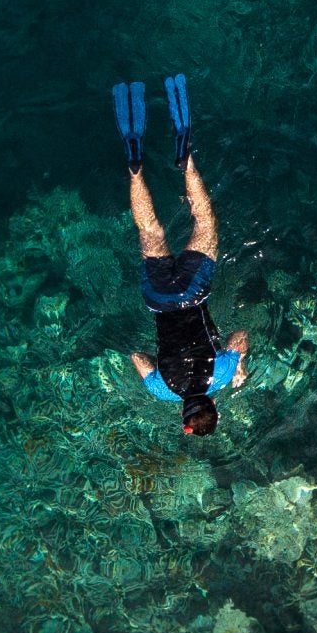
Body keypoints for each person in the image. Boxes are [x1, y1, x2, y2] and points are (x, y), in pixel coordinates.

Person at [115, 75, 248, 435]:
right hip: (158, 299)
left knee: (204, 219)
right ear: (184, 415)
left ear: (213, 406)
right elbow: (137, 359)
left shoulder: (218, 376)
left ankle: (186, 161)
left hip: (193, 290)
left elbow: (239, 336)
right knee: (149, 231)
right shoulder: (163, 391)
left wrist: (239, 367)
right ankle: (135, 168)